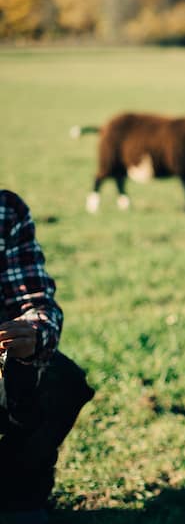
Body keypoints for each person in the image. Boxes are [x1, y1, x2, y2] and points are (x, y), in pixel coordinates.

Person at [0, 190, 94, 524]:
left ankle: (18, 496)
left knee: (61, 381)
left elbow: (36, 301)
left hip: (4, 361)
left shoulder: (5, 211)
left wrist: (32, 336)